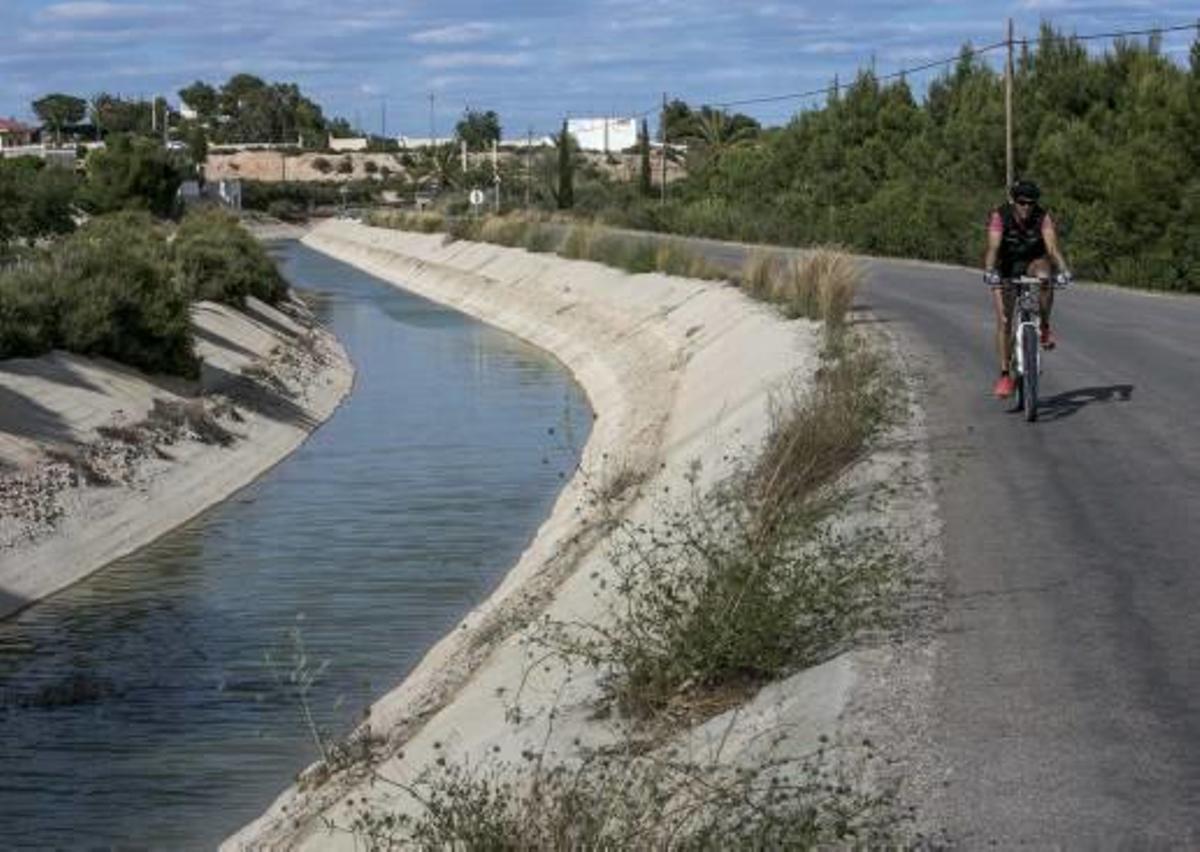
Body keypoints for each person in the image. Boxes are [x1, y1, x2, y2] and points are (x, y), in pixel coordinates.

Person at [983, 179, 1072, 398]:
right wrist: (990, 271)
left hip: (1033, 262)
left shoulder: (1043, 217)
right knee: (1004, 319)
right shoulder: (1000, 216)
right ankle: (1005, 375)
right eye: (1022, 203)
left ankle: (1045, 326)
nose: (1026, 207)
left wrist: (1064, 270)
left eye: (1031, 203)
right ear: (1013, 201)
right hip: (1006, 267)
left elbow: (1051, 247)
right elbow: (993, 247)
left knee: (1045, 276)